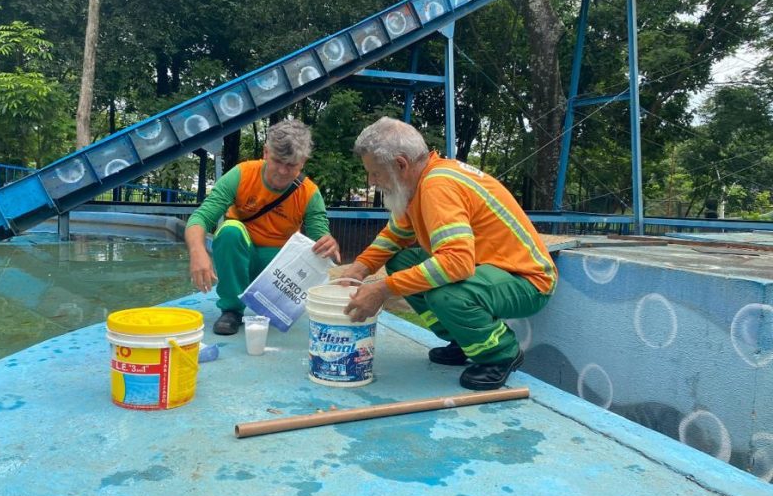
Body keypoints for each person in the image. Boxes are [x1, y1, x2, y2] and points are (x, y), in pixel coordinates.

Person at [340, 117, 557, 390]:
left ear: (400, 165)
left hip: (528, 281)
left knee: (446, 294)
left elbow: (456, 264)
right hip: (491, 271)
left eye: (375, 173)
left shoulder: (437, 187)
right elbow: (395, 236)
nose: (372, 181)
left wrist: (382, 289)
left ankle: (500, 354)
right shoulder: (419, 184)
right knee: (401, 260)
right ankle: (464, 339)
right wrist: (358, 270)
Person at [185, 119, 340, 335]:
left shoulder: (309, 193)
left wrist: (328, 243)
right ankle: (231, 310)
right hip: (241, 257)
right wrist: (198, 252)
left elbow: (320, 235)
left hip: (277, 269)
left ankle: (272, 305)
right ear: (266, 152)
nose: (283, 172)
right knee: (229, 231)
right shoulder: (242, 174)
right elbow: (200, 218)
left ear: (303, 161)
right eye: (278, 161)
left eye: (292, 165)